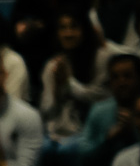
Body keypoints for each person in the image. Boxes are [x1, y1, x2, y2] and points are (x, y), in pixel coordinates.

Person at [40, 10, 111, 144]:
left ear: (84, 30)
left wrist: (68, 82)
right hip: (57, 134)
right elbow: (46, 111)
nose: (68, 34)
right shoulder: (53, 65)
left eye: (74, 27)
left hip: (92, 131)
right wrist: (56, 89)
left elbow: (100, 98)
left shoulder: (101, 58)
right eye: (63, 28)